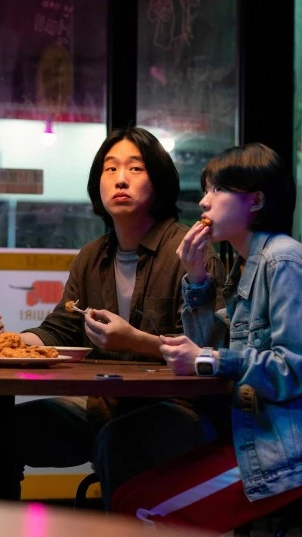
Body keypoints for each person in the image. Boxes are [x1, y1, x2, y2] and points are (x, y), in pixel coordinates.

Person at [0, 126, 227, 506]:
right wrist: (5, 342)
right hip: (105, 406)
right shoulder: (91, 256)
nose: (121, 179)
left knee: (117, 441)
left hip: (181, 408)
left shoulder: (189, 252)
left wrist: (134, 341)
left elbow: (209, 350)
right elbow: (60, 330)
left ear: (158, 181)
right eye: (110, 168)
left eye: (135, 168)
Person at [113, 143, 302, 533]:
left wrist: (209, 359)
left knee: (142, 511)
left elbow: (292, 370)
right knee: (125, 498)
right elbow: (213, 347)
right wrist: (196, 278)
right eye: (205, 190)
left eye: (217, 189)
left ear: (255, 201)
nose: (203, 201)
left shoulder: (283, 260)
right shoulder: (245, 264)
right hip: (252, 437)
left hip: (284, 453)